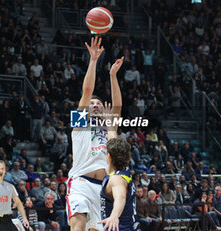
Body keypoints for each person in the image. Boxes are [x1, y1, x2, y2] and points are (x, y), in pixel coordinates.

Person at [66, 36, 123, 231]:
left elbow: (118, 106)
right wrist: (93, 61)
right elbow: (88, 90)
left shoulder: (109, 127)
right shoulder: (80, 123)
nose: (96, 104)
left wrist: (113, 76)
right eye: (92, 104)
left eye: (99, 103)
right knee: (78, 223)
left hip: (103, 188)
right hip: (81, 182)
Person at [98, 135, 136, 231]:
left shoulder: (116, 179)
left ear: (109, 156)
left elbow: (120, 197)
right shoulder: (125, 173)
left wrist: (114, 216)